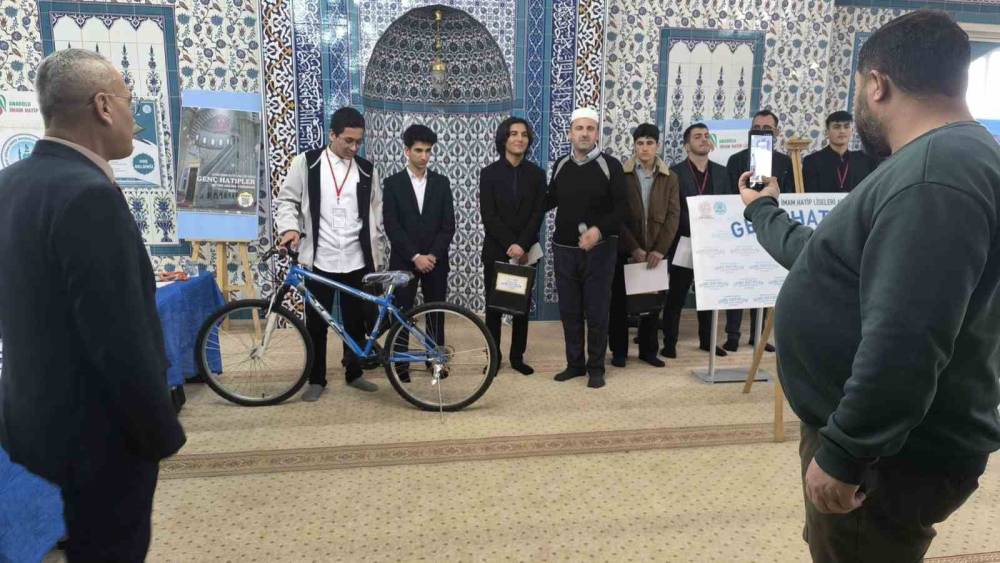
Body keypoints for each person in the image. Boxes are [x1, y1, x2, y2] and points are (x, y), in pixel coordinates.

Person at [738, 11, 1000, 561]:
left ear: (876, 84)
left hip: (887, 458)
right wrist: (764, 211)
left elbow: (909, 336)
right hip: (885, 443)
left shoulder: (935, 175)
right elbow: (830, 260)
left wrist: (847, 449)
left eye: (859, 87)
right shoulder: (938, 161)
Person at [0, 49, 186, 560]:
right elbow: (120, 339)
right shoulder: (89, 196)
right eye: (130, 100)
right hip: (99, 436)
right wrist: (160, 433)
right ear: (103, 106)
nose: (134, 117)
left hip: (36, 417)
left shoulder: (12, 182)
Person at [275, 106, 385, 401]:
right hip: (320, 258)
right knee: (317, 322)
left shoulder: (367, 169)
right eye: (348, 140)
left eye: (358, 141)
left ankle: (354, 373)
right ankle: (316, 379)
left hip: (356, 258)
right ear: (332, 135)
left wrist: (377, 252)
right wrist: (289, 229)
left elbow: (376, 211)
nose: (354, 147)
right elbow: (287, 200)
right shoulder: (307, 162)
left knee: (354, 320)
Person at [546, 107, 628, 389]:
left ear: (596, 134)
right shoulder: (561, 165)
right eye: (579, 128)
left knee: (596, 311)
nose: (584, 133)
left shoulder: (610, 166)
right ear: (570, 133)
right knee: (569, 311)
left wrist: (598, 230)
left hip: (600, 252)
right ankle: (574, 364)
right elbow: (550, 200)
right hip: (564, 250)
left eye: (589, 128)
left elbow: (622, 209)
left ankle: (596, 368)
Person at [383, 124, 455, 380]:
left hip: (436, 261)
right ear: (407, 151)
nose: (424, 156)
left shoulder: (441, 183)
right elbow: (392, 226)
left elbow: (448, 226)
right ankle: (401, 365)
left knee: (435, 312)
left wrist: (432, 256)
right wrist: (415, 256)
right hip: (404, 260)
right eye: (418, 150)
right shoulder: (392, 184)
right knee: (401, 313)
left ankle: (435, 361)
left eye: (428, 151)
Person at [479, 117, 546, 375]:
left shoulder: (537, 174)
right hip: (497, 250)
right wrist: (511, 244)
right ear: (504, 139)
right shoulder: (489, 174)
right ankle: (493, 358)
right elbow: (489, 215)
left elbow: (537, 214)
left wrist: (522, 245)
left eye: (524, 134)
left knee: (521, 307)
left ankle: (517, 357)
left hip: (526, 252)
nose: (519, 138)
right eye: (514, 133)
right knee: (494, 308)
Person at [608, 123, 678, 368]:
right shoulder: (621, 174)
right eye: (640, 143)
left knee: (651, 304)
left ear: (657, 145)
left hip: (656, 252)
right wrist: (633, 248)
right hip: (627, 250)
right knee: (618, 303)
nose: (644, 148)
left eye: (649, 143)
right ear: (634, 146)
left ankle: (649, 351)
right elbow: (616, 215)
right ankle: (619, 352)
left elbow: (673, 216)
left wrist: (660, 250)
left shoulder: (670, 177)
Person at [723, 109, 792, 352]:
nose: (761, 132)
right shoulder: (736, 160)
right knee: (737, 281)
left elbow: (791, 195)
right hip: (740, 227)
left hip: (771, 227)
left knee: (763, 280)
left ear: (776, 132)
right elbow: (729, 194)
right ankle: (732, 334)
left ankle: (759, 335)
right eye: (757, 128)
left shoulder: (785, 162)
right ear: (750, 131)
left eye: (767, 129)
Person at [662, 123, 729, 358]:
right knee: (676, 295)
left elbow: (727, 206)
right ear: (686, 145)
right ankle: (669, 343)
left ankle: (707, 341)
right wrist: (694, 226)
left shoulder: (722, 172)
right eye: (697, 136)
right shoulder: (674, 172)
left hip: (712, 243)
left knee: (708, 295)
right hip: (684, 241)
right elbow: (671, 210)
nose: (703, 140)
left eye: (706, 136)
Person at [802, 111, 878, 193]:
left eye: (846, 126)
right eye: (836, 127)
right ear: (827, 132)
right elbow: (810, 196)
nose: (842, 131)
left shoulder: (865, 161)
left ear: (852, 131)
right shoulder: (812, 162)